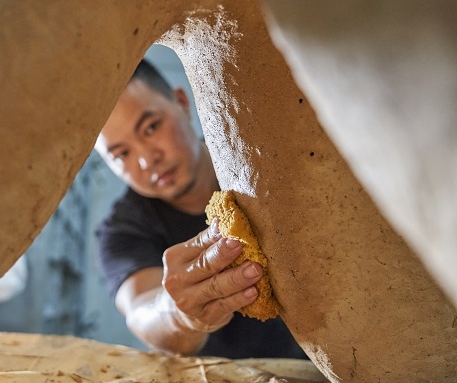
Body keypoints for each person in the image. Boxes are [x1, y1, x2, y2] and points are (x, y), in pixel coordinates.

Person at [95, 59, 307, 359]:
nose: (146, 160)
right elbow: (140, 309)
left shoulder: (263, 163)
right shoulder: (123, 231)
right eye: (122, 154)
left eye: (151, 127)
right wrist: (176, 313)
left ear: (182, 103)